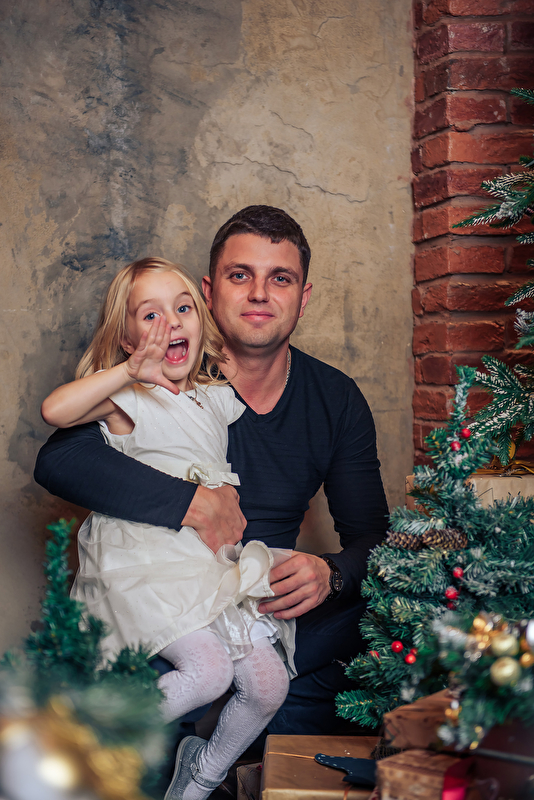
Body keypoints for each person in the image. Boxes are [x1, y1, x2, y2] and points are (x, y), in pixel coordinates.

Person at [35, 205, 389, 735]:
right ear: (208, 292)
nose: (259, 294)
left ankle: (253, 735)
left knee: (388, 616)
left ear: (303, 297)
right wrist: (193, 504)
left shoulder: (334, 398)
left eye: (281, 278)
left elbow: (372, 537)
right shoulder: (162, 376)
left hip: (262, 600)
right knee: (173, 685)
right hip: (171, 596)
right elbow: (59, 461)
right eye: (240, 275)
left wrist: (331, 573)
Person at [40, 257, 295, 800]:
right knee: (208, 674)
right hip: (144, 562)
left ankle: (198, 777)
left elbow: (255, 376)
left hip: (204, 562)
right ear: (126, 336)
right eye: (150, 315)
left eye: (183, 309)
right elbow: (55, 410)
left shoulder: (210, 395)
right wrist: (128, 371)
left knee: (268, 686)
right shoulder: (126, 398)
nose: (171, 322)